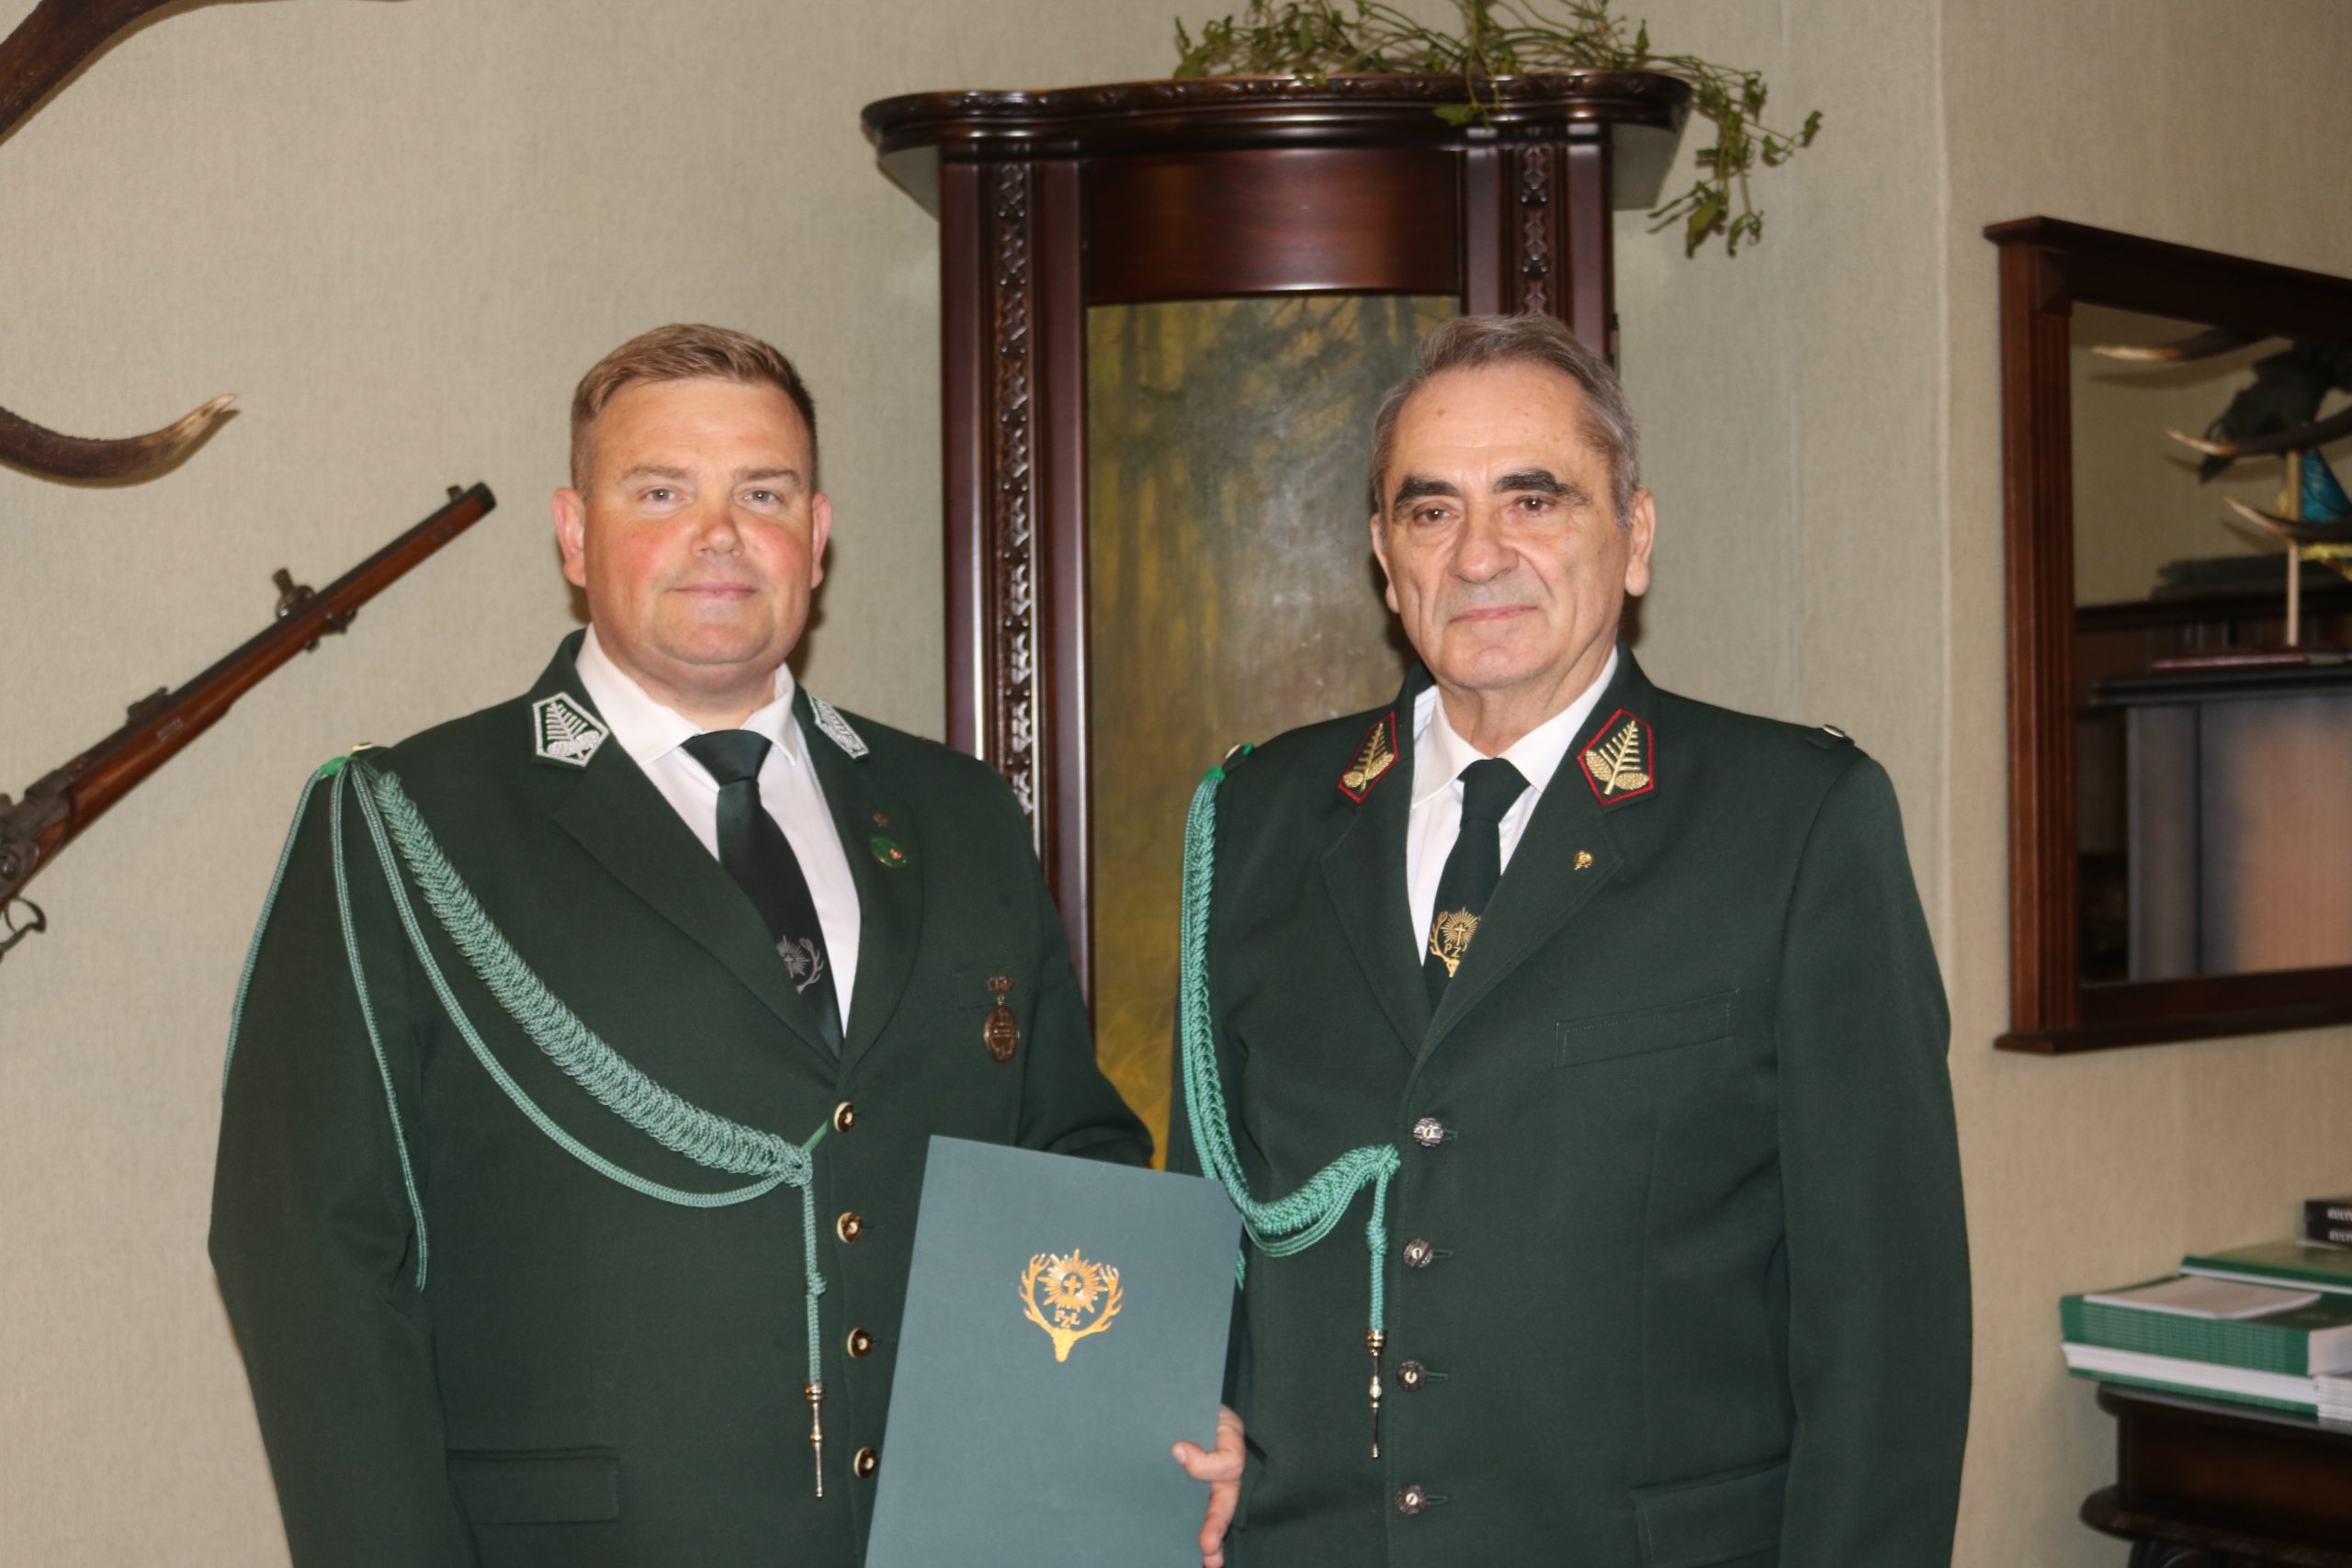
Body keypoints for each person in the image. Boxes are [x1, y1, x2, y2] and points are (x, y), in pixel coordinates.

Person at [210, 323, 1150, 1566]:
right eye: (661, 493)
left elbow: (1070, 1161)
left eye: (762, 494)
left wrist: (1123, 1443)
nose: (719, 535)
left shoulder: (958, 813)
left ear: (815, 535)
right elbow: (310, 1255)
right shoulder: (408, 822)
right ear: (572, 534)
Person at [1169, 312, 1970, 1566]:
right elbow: (1198, 1223)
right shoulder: (1260, 818)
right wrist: (1183, 1417)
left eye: (1533, 501)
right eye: (1432, 510)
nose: (1480, 553)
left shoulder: (1792, 824)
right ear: (1385, 557)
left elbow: (1886, 1324)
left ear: (1634, 537)